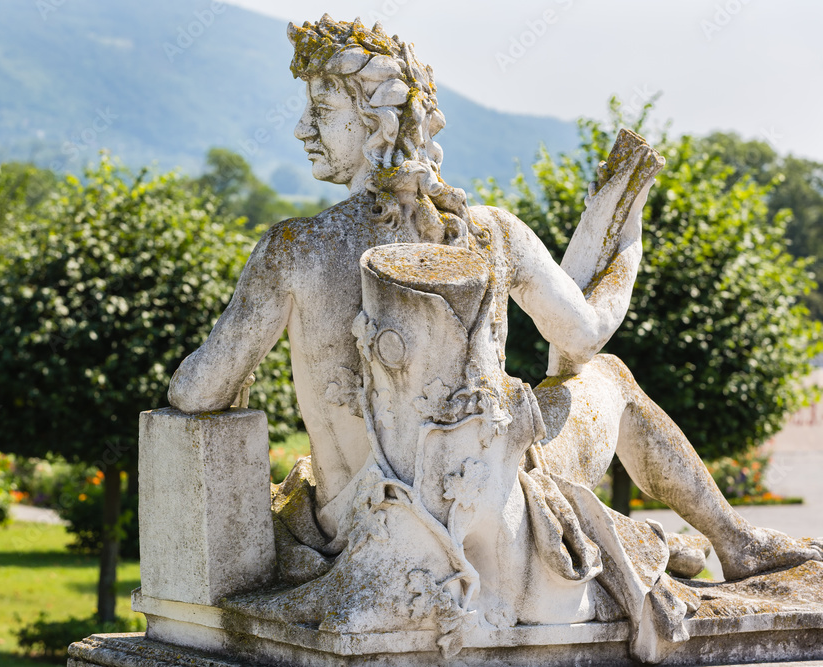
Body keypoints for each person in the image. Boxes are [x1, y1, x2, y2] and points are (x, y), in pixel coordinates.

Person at [168, 14, 822, 585]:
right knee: (611, 379)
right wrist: (626, 242)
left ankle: (681, 542)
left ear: (373, 123)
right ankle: (737, 543)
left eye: (320, 108)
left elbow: (196, 393)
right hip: (479, 502)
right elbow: (582, 337)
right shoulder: (491, 230)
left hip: (355, 520)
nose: (302, 128)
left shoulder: (294, 249)